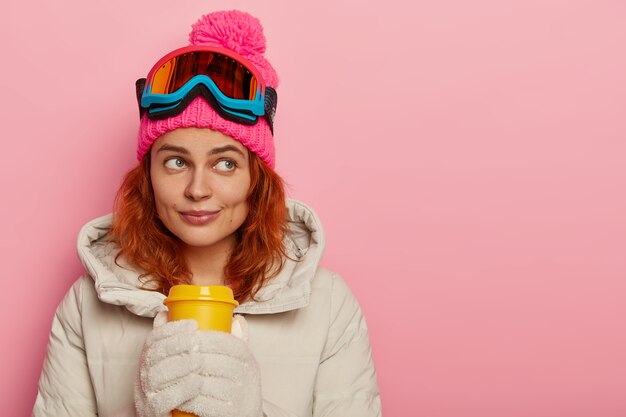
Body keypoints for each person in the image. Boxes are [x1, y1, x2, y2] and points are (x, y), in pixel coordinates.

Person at [32, 10, 381, 417]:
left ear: (257, 178)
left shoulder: (328, 306)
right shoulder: (86, 306)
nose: (198, 190)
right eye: (176, 162)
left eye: (226, 163)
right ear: (147, 175)